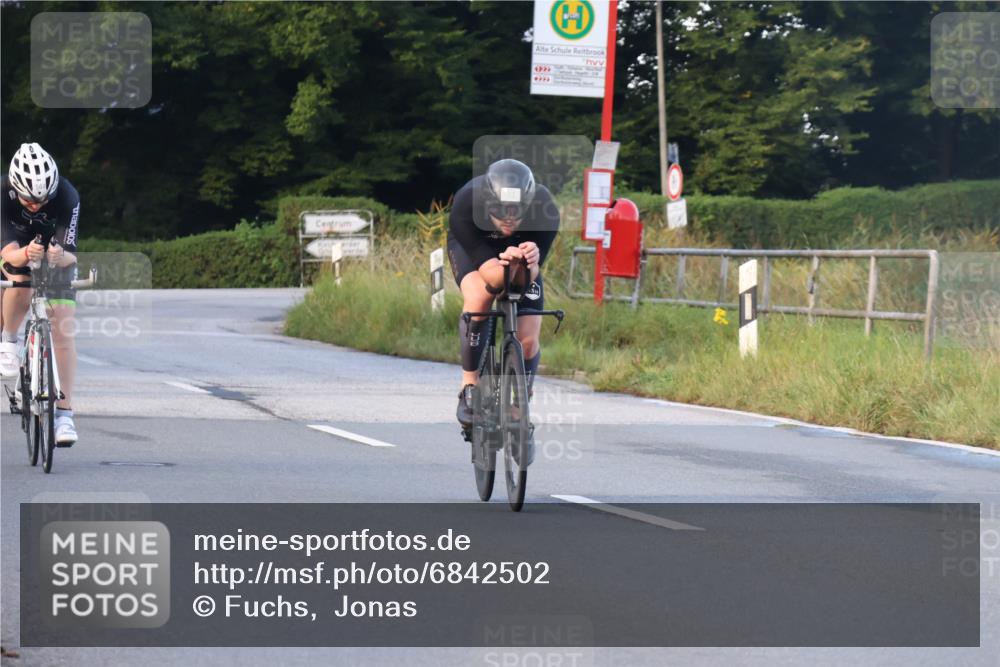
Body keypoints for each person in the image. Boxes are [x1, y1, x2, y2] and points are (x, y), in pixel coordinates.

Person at [447, 158, 560, 449]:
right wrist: (505, 261)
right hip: (476, 249)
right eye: (500, 212)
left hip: (524, 257)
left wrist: (527, 261)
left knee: (528, 340)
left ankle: (521, 406)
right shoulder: (466, 202)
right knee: (480, 297)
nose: (508, 219)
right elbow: (493, 278)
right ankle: (469, 384)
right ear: (487, 205)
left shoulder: (545, 209)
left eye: (516, 212)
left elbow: (528, 279)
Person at [0, 142, 81, 445]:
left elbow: (71, 254)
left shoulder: (67, 195)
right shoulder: (2, 195)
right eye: (28, 200)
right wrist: (26, 253)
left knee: (62, 329)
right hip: (14, 252)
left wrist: (59, 256)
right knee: (20, 279)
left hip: (54, 256)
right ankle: (8, 340)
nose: (35, 205)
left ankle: (64, 416)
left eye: (42, 199)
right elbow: (9, 256)